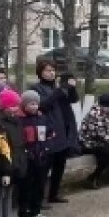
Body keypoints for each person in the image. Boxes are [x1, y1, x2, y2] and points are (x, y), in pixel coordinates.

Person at [30, 60, 79, 205]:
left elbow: (74, 99)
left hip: (63, 129)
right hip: (49, 130)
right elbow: (43, 105)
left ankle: (54, 194)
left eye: (53, 70)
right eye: (47, 70)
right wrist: (59, 90)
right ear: (40, 73)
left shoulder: (58, 87)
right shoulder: (36, 88)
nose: (51, 73)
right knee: (45, 167)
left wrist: (71, 88)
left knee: (60, 165)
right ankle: (40, 198)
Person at [17, 90, 53, 217]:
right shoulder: (21, 121)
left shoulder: (42, 118)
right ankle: (23, 215)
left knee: (39, 185)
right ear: (24, 104)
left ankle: (36, 211)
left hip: (41, 156)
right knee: (26, 187)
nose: (34, 106)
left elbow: (50, 134)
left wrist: (47, 148)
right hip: (28, 158)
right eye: (31, 104)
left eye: (36, 104)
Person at [0, 89, 29, 217]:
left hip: (17, 161)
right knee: (0, 195)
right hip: (5, 163)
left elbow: (20, 144)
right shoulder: (0, 123)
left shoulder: (17, 122)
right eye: (11, 106)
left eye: (16, 106)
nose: (14, 109)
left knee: (9, 195)